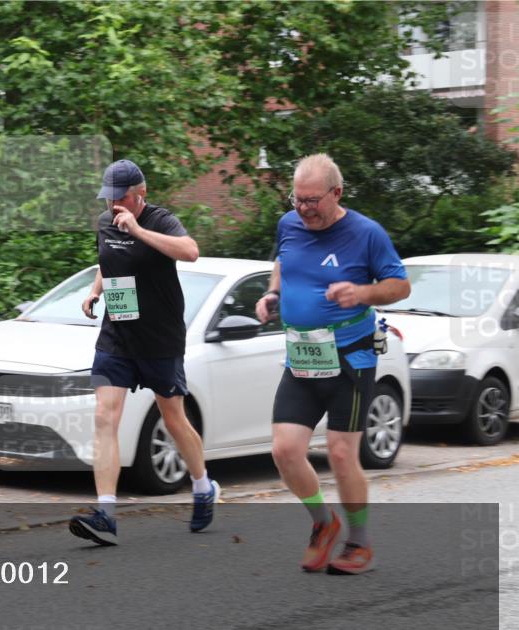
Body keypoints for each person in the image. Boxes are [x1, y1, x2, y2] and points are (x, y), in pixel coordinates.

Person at [255, 153, 410, 574]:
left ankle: (358, 542)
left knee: (342, 454)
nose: (303, 209)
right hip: (303, 357)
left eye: (312, 201)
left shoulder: (366, 234)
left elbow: (400, 286)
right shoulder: (290, 224)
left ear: (336, 193)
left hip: (351, 359)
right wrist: (273, 294)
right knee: (285, 451)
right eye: (297, 200)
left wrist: (361, 294)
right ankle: (323, 525)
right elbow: (283, 262)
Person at [69, 159, 219, 546]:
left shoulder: (160, 220)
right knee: (105, 415)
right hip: (117, 336)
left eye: (120, 199)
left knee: (173, 419)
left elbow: (190, 251)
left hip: (159, 338)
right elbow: (110, 260)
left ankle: (203, 486)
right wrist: (95, 291)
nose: (112, 206)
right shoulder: (105, 223)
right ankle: (105, 513)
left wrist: (138, 230)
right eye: (108, 199)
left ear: (141, 195)